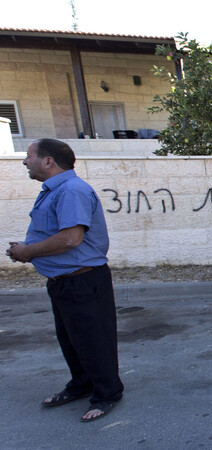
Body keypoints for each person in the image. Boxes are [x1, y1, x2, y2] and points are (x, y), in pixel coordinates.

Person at [6, 139, 123, 422]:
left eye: (29, 156)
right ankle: (81, 384)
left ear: (48, 161)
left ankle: (107, 393)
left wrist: (27, 252)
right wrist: (27, 247)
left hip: (83, 280)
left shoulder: (71, 190)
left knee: (93, 339)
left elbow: (71, 238)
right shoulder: (55, 190)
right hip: (64, 281)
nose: (24, 161)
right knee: (72, 339)